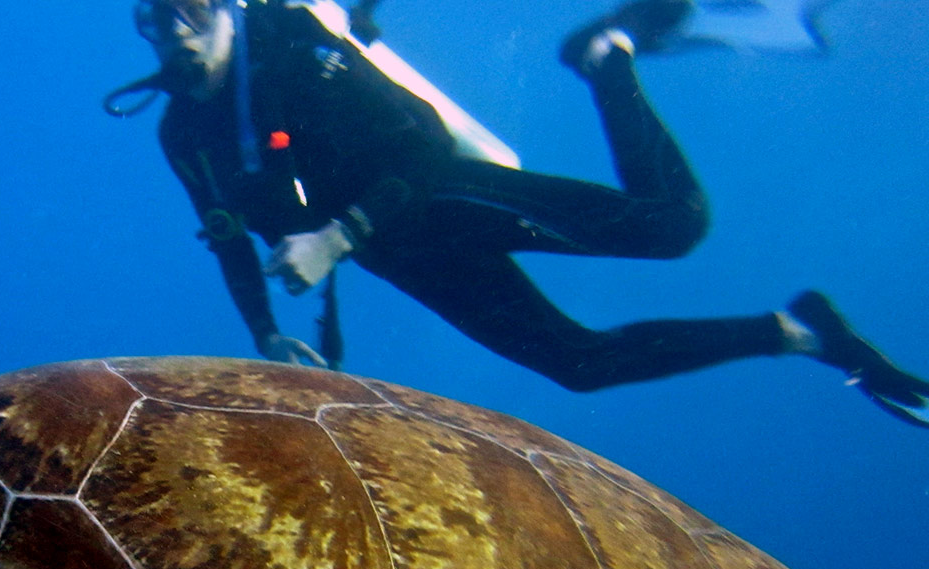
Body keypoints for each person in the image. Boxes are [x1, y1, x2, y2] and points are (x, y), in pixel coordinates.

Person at [105, 0, 929, 426]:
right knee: (579, 364)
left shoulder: (294, 54)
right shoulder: (185, 131)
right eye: (154, 16)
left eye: (194, 8)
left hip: (436, 197)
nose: (175, 31)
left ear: (226, 10)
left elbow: (424, 139)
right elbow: (224, 238)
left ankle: (607, 57)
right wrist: (261, 332)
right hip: (408, 255)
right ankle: (798, 331)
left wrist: (338, 235)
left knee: (670, 224)